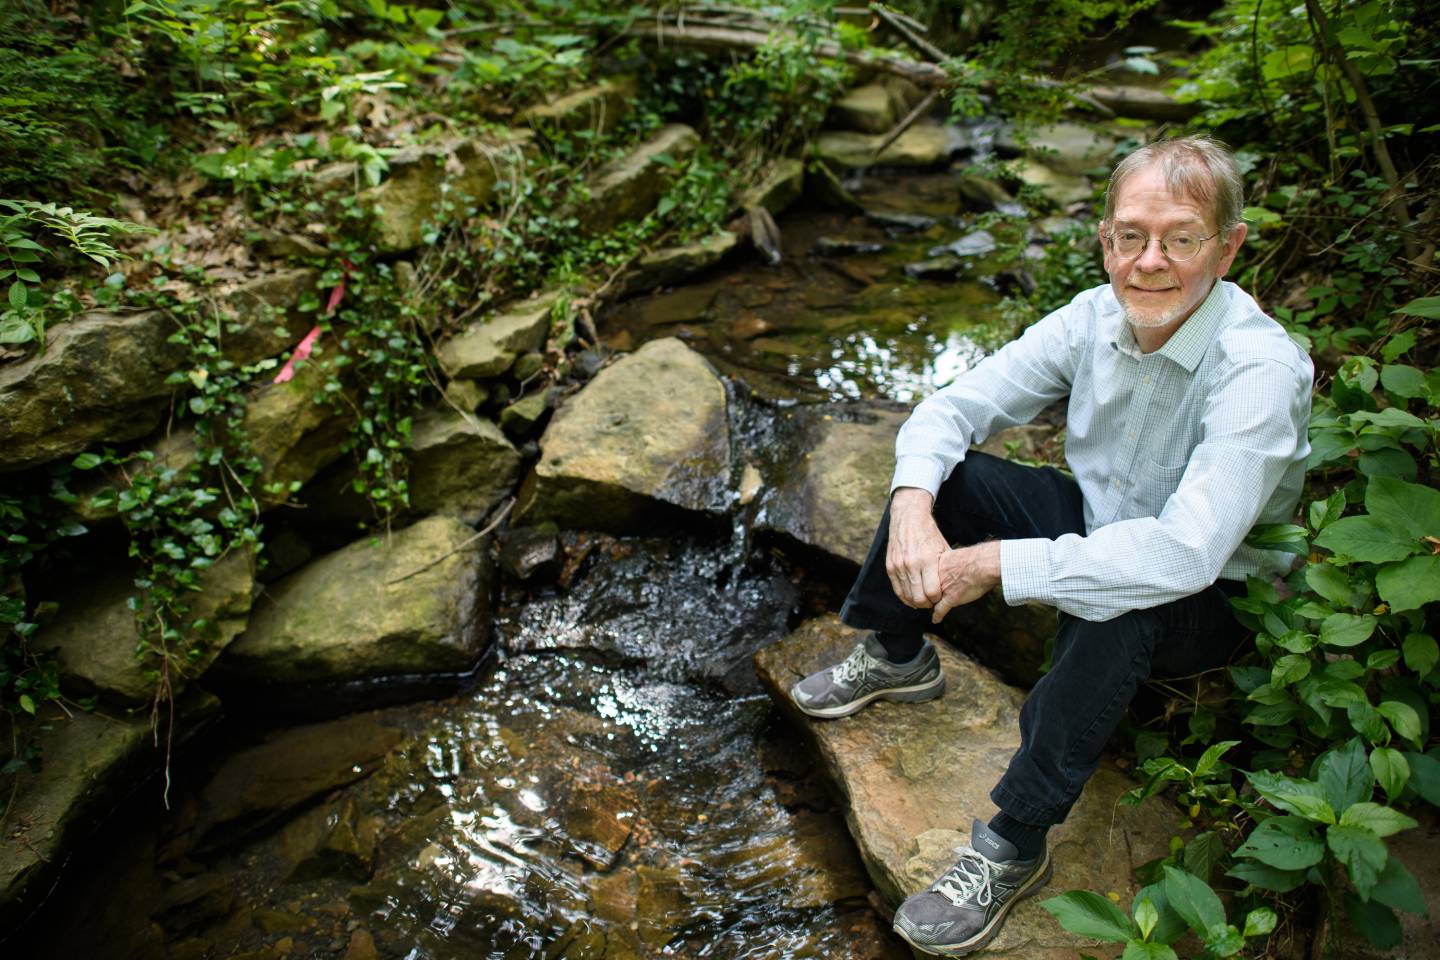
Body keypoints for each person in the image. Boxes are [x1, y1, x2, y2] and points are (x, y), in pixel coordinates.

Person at [791, 135, 1313, 957]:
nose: (1150, 261)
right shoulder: (1091, 317)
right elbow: (951, 409)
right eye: (1131, 236)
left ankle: (1014, 839)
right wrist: (913, 504)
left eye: (1181, 238)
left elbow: (1183, 554)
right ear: (1105, 240)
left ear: (1228, 247)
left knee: (1123, 602)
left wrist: (997, 564)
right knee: (949, 475)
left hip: (1216, 595)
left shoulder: (1258, 369)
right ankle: (898, 653)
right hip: (1098, 520)